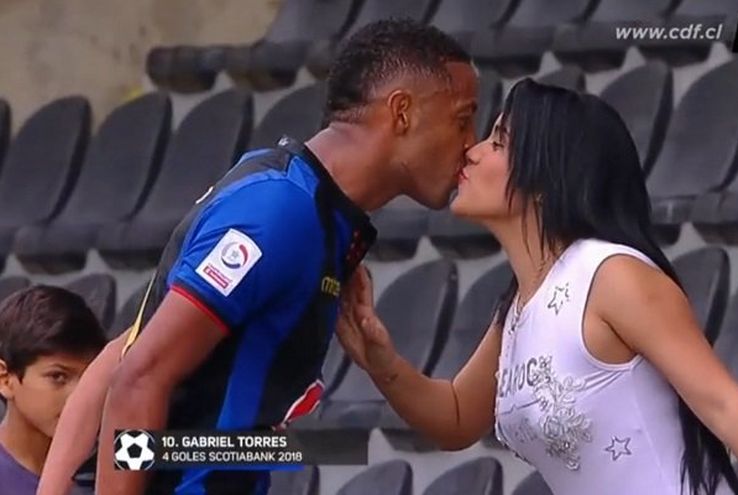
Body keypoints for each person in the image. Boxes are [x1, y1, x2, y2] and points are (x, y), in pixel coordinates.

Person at [37, 19, 478, 495]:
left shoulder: (311, 209)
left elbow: (126, 352)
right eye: (462, 119)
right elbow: (139, 376)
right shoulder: (280, 211)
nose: (471, 143)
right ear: (402, 112)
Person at [335, 80, 738, 495]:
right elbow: (457, 418)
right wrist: (382, 363)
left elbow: (726, 406)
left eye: (498, 142)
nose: (473, 151)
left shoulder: (612, 276)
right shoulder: (519, 307)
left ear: (546, 178)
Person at [0, 286, 106, 495]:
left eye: (88, 379)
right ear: (5, 380)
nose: (78, 396)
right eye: (58, 377)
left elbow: (174, 450)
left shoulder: (119, 455)